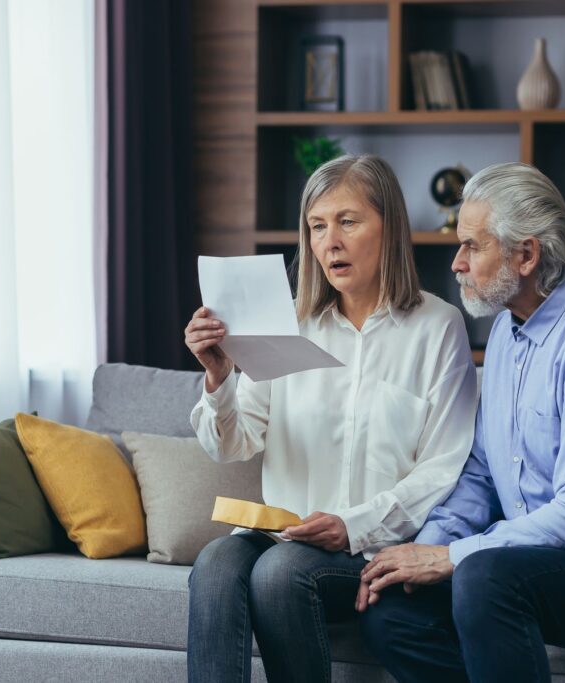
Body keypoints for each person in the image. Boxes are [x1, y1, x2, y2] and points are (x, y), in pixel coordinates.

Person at [356, 162, 565, 683]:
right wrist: (420, 552)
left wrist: (452, 556)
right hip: (537, 549)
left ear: (526, 254)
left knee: (483, 579)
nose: (456, 263)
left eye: (472, 246)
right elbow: (480, 471)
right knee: (393, 608)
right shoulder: (505, 330)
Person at [183, 154, 479, 683]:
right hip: (284, 535)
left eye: (347, 221)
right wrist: (218, 377)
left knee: (278, 574)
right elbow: (233, 443)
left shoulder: (439, 327)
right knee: (215, 564)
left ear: (389, 227)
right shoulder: (289, 324)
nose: (330, 242)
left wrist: (352, 526)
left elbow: (443, 468)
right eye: (317, 227)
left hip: (368, 549)